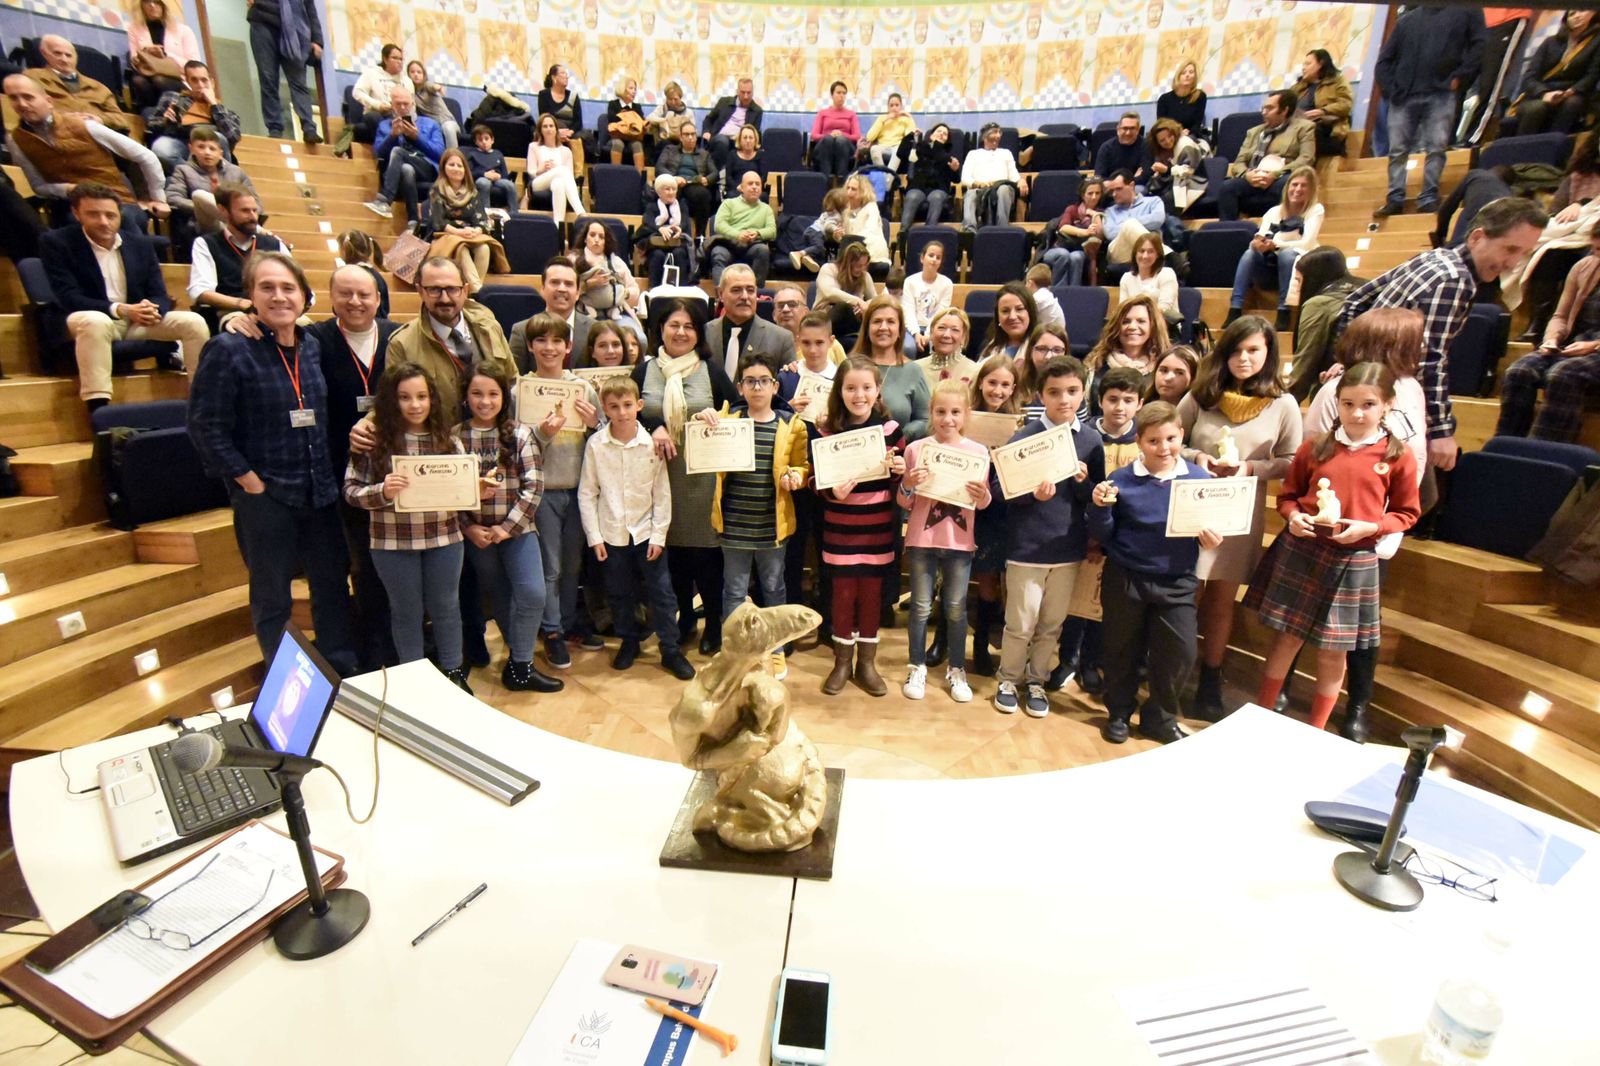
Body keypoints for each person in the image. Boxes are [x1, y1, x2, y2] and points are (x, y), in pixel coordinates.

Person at [187, 252, 355, 674]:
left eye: (288, 288)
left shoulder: (312, 345)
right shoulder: (228, 349)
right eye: (267, 288)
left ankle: (340, 666)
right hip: (266, 495)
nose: (279, 296)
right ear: (250, 297)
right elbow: (205, 427)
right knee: (272, 595)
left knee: (331, 585)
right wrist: (248, 481)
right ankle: (285, 678)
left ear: (304, 296)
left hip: (319, 490)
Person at [1245, 363, 1421, 733]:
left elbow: (1406, 513)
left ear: (1387, 405)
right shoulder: (1316, 447)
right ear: (1337, 403)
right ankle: (1261, 718)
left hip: (1354, 557)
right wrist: (1293, 517)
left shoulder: (1396, 456)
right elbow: (1289, 497)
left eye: (1368, 404)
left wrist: (1372, 527)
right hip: (1304, 550)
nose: (1357, 413)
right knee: (1287, 639)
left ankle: (1318, 729)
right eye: (1348, 403)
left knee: (1333, 652)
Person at [1337, 196, 1547, 470]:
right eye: (1509, 249)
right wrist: (1442, 431)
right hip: (1388, 400)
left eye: (1523, 254)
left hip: (1367, 389)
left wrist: (1347, 362)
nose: (1513, 263)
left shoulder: (1435, 256)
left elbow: (1355, 301)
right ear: (1477, 237)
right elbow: (1429, 360)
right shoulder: (1454, 280)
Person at [1300, 311, 1427, 740]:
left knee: (1359, 630)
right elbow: (1314, 445)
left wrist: (1384, 530)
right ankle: (1284, 696)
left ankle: (1357, 705)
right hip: (1324, 531)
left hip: (1374, 534)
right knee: (1305, 616)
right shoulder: (1335, 387)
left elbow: (1416, 456)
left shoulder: (1408, 390)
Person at [1177, 317, 1302, 721]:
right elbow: (1168, 439)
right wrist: (1199, 458)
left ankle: (1211, 680)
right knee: (1183, 595)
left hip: (1238, 512)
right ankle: (1172, 673)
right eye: (1236, 350)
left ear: (1268, 354)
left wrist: (1249, 469)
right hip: (1193, 508)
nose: (1244, 358)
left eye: (1253, 350)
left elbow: (1288, 461)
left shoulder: (1283, 404)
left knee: (1219, 601)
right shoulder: (1202, 394)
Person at [1088, 401, 1223, 744]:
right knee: (1121, 650)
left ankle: (1158, 717)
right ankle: (1119, 712)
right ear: (1139, 441)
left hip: (1177, 580)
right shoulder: (1122, 479)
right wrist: (1101, 509)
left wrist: (1211, 538)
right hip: (1127, 576)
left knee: (1178, 653)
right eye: (1153, 441)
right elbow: (1104, 534)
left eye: (1171, 438)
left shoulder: (1198, 479)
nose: (1163, 448)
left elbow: (1211, 528)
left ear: (1181, 435)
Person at [344, 362, 472, 690]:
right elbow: (351, 491)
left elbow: (462, 490)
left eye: (422, 396)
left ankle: (454, 673)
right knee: (406, 612)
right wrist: (382, 491)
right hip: (392, 543)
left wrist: (474, 489)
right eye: (405, 397)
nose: (415, 405)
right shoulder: (373, 442)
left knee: (446, 607)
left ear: (432, 400)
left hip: (444, 539)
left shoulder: (448, 441)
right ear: (391, 400)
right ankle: (414, 680)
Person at [991, 356, 1104, 718]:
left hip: (1067, 548)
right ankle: (1009, 678)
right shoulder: (1024, 437)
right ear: (1041, 394)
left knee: (1052, 623)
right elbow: (1000, 489)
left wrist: (1086, 485)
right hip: (1027, 548)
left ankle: (1036, 680)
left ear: (1083, 392)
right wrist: (1030, 495)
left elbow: (1097, 497)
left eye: (1072, 391)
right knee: (1020, 622)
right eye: (1054, 392)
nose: (1064, 400)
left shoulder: (1090, 440)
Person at [692, 353, 811, 678]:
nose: (757, 387)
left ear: (774, 386)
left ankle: (774, 650)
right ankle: (737, 649)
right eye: (750, 381)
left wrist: (796, 478)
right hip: (733, 525)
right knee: (733, 590)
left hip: (772, 526)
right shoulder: (726, 421)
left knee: (774, 588)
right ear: (740, 387)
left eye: (764, 381)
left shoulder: (792, 425)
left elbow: (802, 466)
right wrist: (704, 417)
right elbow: (702, 438)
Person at [306, 265, 400, 671]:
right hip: (334, 467)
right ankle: (349, 654)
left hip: (390, 469)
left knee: (381, 568)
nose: (356, 302)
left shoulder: (398, 336)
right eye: (346, 294)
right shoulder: (314, 339)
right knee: (342, 565)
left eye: (364, 294)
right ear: (331, 297)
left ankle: (385, 645)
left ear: (378, 299)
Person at [44, 182, 207, 410]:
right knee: (95, 322)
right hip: (84, 318)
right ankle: (99, 410)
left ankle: (202, 404)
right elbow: (68, 297)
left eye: (110, 215)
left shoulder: (139, 244)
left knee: (193, 322)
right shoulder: (57, 242)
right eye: (94, 214)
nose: (103, 221)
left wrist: (153, 309)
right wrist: (120, 309)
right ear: (76, 213)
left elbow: (158, 293)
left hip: (133, 319)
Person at [635, 299, 738, 656]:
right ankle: (684, 620)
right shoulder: (645, 370)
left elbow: (739, 409)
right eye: (673, 325)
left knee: (707, 559)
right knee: (673, 555)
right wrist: (654, 426)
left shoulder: (709, 370)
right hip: (659, 480)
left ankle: (712, 622)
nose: (681, 332)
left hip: (702, 480)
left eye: (689, 326)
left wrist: (719, 415)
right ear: (660, 329)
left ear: (699, 333)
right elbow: (626, 415)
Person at [454, 366, 563, 692]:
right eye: (477, 394)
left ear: (504, 397)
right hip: (477, 536)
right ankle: (519, 667)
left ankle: (521, 662)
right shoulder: (454, 437)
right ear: (465, 397)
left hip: (518, 530)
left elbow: (533, 486)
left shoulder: (520, 434)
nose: (485, 401)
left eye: (493, 394)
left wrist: (507, 528)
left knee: (532, 593)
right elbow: (449, 491)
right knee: (499, 595)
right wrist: (469, 527)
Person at [579, 376, 696, 680]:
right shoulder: (596, 446)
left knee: (662, 594)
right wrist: (595, 537)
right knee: (619, 593)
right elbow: (587, 493)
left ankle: (670, 650)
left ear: (639, 406)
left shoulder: (651, 446)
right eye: (614, 406)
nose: (621, 412)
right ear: (604, 408)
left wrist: (659, 535)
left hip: (646, 535)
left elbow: (662, 494)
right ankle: (629, 642)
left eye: (628, 405)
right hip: (611, 534)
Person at [812, 357, 909, 695]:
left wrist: (899, 471)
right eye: (851, 388)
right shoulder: (827, 432)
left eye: (867, 387)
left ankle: (867, 664)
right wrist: (829, 491)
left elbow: (904, 482)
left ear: (877, 390)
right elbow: (815, 480)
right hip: (840, 529)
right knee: (842, 596)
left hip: (878, 529)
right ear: (840, 391)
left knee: (870, 598)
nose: (859, 395)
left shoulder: (891, 431)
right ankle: (842, 663)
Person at [1057, 365, 1151, 695]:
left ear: (1139, 403)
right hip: (1081, 531)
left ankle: (1090, 662)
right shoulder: (1085, 436)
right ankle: (1067, 658)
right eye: (1113, 399)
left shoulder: (1142, 444)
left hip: (1120, 537)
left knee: (1101, 603)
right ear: (1100, 400)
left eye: (1128, 400)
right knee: (1074, 601)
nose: (1120, 407)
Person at [899, 379, 991, 703]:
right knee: (921, 607)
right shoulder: (915, 449)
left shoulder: (979, 453)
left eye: (955, 412)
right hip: (922, 538)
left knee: (955, 607)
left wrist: (984, 496)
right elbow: (904, 502)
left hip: (959, 542)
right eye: (941, 411)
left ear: (965, 414)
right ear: (931, 412)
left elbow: (981, 504)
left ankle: (956, 668)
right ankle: (917, 664)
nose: (947, 419)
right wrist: (908, 483)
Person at [517, 313, 601, 668]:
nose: (549, 348)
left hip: (580, 490)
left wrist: (597, 423)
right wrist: (542, 434)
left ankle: (566, 624)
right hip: (543, 491)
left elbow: (603, 438)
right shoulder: (521, 389)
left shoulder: (583, 388)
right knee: (549, 566)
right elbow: (514, 445)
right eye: (541, 341)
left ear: (568, 347)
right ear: (531, 346)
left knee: (572, 564)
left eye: (557, 341)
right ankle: (552, 630)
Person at [4, 73, 167, 228]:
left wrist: (158, 199)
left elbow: (146, 156)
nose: (22, 104)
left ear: (48, 101)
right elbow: (39, 186)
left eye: (28, 97)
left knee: (120, 221)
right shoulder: (16, 140)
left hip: (117, 200)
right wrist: (66, 189)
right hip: (72, 205)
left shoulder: (85, 124)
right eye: (14, 98)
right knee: (77, 226)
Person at [1373, 6, 1485, 217]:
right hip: (1404, 95)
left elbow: (1479, 46)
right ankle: (1395, 198)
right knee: (1397, 150)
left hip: (1441, 93)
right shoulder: (1407, 20)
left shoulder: (1465, 11)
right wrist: (1391, 88)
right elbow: (1383, 61)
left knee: (1436, 147)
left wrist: (1461, 77)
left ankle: (1429, 197)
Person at [380, 257, 518, 422]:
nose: (444, 298)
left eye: (452, 289)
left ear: (465, 290)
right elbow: (391, 403)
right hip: (437, 443)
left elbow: (512, 381)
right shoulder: (401, 343)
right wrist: (367, 422)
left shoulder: (490, 327)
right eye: (435, 289)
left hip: (490, 440)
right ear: (420, 291)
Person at [1498, 229, 1600, 443]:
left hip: (1594, 349)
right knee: (1518, 371)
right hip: (1575, 344)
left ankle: (1543, 450)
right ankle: (1507, 446)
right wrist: (1551, 339)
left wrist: (1593, 346)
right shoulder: (1583, 267)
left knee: (1562, 374)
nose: (1594, 254)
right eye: (1594, 248)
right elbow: (1560, 316)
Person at [965, 356, 1023, 676]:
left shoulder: (1018, 425)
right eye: (992, 382)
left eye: (1004, 384)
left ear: (1013, 387)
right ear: (981, 382)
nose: (997, 390)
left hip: (999, 509)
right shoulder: (965, 416)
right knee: (959, 577)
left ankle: (983, 643)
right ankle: (948, 641)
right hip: (963, 503)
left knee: (992, 580)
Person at [1226, 165, 1323, 332]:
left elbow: (1307, 243)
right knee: (1250, 253)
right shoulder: (1274, 211)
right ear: (1288, 187)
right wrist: (1258, 243)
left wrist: (1276, 245)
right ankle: (1235, 309)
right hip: (1270, 267)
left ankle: (1284, 311)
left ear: (1311, 190)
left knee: (1286, 255)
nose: (1298, 189)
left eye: (1303, 185)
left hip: (1297, 270)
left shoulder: (1316, 210)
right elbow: (1261, 235)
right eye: (1294, 184)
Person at [187, 182, 286, 334]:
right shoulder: (207, 243)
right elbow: (200, 291)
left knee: (304, 328)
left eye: (254, 210)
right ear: (223, 210)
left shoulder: (274, 244)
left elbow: (302, 288)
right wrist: (242, 304)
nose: (253, 217)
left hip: (275, 308)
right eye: (245, 211)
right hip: (232, 311)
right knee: (244, 331)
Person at [1217, 90, 1316, 221]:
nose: (1264, 112)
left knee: (1288, 183)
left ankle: (1286, 227)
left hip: (1280, 177)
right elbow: (1239, 162)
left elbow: (1306, 158)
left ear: (1284, 110)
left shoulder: (1304, 127)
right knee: (1227, 187)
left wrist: (1274, 175)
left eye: (1270, 108)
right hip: (1253, 178)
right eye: (1264, 108)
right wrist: (1247, 175)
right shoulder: (1254, 132)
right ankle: (1227, 232)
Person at [1500, 10, 1598, 137]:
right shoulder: (1550, 42)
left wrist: (1571, 91)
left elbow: (1592, 75)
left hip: (1573, 92)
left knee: (1573, 103)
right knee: (1536, 108)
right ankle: (1519, 150)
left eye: (1582, 11)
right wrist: (1544, 93)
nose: (1577, 16)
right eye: (1572, 13)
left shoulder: (1596, 42)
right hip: (1541, 93)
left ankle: (1552, 146)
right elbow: (1530, 76)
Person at [426, 148, 506, 294]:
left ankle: (470, 293)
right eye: (451, 165)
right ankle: (478, 293)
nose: (456, 169)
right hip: (445, 236)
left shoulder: (473, 192)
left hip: (470, 235)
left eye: (459, 165)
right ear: (444, 167)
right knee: (461, 248)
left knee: (484, 248)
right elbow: (438, 223)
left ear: (465, 169)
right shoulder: (436, 190)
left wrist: (476, 230)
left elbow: (481, 221)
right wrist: (459, 232)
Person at [1287, 245, 1361, 399]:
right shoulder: (1365, 289)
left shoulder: (1320, 304)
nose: (1297, 287)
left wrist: (1287, 402)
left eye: (1299, 280)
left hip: (1335, 387)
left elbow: (1306, 358)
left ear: (1313, 278)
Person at [854, 296, 930, 443]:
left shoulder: (913, 371)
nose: (883, 327)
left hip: (899, 456)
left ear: (900, 330)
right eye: (877, 321)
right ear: (867, 328)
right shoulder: (850, 367)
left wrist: (898, 436)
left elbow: (925, 419)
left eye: (890, 322)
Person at [362, 87, 444, 222]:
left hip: (426, 167)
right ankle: (413, 221)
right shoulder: (385, 125)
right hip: (399, 173)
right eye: (398, 104)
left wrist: (417, 137)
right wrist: (392, 136)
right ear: (392, 105)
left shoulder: (431, 124)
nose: (402, 107)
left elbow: (440, 154)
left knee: (398, 151)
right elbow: (378, 154)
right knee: (407, 169)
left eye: (406, 104)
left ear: (413, 104)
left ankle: (384, 199)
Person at [246, 0, 323, 143]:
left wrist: (317, 40)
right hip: (262, 22)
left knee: (299, 82)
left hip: (295, 30)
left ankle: (309, 128)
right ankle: (275, 129)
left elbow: (310, 8)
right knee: (268, 80)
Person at [146, 61, 242, 170]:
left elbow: (232, 137)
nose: (200, 85)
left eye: (204, 80)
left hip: (212, 145)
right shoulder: (173, 98)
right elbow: (151, 125)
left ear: (212, 83)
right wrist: (165, 120)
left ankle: (209, 177)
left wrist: (213, 104)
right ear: (188, 82)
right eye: (194, 80)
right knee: (160, 147)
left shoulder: (226, 112)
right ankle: (193, 175)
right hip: (182, 141)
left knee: (218, 138)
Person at [705, 264, 791, 381]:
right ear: (720, 294)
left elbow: (787, 391)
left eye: (750, 290)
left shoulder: (781, 339)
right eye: (736, 290)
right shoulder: (705, 333)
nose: (745, 296)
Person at [28, 35, 131, 132]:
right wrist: (64, 118)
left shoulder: (98, 86)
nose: (64, 59)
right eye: (57, 53)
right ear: (44, 53)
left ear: (76, 58)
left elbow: (120, 119)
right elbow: (30, 109)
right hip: (59, 132)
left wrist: (100, 119)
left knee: (136, 149)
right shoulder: (32, 78)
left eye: (68, 55)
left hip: (99, 133)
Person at [165, 125, 254, 235]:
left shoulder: (237, 172)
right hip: (202, 225)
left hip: (238, 220)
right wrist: (203, 208)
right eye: (201, 147)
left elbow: (255, 201)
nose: (207, 152)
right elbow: (173, 198)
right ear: (191, 149)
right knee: (200, 196)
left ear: (220, 153)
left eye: (212, 149)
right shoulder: (183, 171)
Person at [511, 257, 593, 369]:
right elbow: (514, 379)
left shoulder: (594, 329)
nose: (562, 289)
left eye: (568, 284)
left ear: (578, 293)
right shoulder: (521, 331)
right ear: (542, 289)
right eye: (555, 282)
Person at [1085, 293, 1168, 397]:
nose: (1132, 326)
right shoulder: (1096, 364)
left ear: (1153, 327)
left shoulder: (1164, 367)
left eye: (1141, 321)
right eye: (1125, 321)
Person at [127, 0, 202, 108]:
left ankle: (165, 110)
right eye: (147, 1)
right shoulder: (134, 29)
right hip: (147, 77)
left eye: (156, 2)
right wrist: (144, 53)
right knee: (138, 81)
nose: (152, 6)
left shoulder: (184, 31)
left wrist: (165, 56)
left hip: (179, 79)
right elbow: (134, 60)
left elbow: (194, 66)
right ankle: (152, 112)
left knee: (159, 80)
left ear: (164, 5)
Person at [572, 219, 642, 333]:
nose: (596, 240)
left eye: (601, 237)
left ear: (606, 241)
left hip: (616, 313)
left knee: (640, 340)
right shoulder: (574, 260)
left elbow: (635, 290)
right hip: (585, 314)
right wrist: (588, 285)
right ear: (585, 239)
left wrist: (622, 293)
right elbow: (567, 292)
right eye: (592, 235)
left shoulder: (616, 262)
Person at [709, 170, 776, 286]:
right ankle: (720, 297)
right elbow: (719, 225)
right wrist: (738, 235)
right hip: (729, 244)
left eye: (758, 184)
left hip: (752, 245)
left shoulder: (766, 209)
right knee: (718, 253)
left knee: (763, 250)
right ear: (741, 188)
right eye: (750, 184)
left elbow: (772, 231)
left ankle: (756, 294)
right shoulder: (728, 203)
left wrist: (757, 233)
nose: (754, 187)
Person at [655, 118, 716, 238]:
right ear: (680, 136)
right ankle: (660, 230)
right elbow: (659, 167)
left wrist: (707, 179)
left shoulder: (704, 154)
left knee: (702, 194)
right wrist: (673, 178)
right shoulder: (669, 150)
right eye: (687, 134)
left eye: (693, 134)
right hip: (673, 184)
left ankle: (700, 236)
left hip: (693, 185)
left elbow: (715, 173)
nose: (690, 137)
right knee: (665, 191)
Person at [961, 123, 1027, 231]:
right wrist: (977, 183)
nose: (998, 136)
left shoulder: (1006, 153)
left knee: (1004, 190)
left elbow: (1014, 175)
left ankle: (1002, 229)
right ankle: (969, 231)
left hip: (1001, 186)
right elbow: (965, 177)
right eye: (995, 132)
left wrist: (1021, 180)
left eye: (999, 133)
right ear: (984, 136)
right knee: (970, 194)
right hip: (979, 188)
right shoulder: (973, 154)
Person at [1290, 49, 1354, 160]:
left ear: (1321, 64)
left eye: (1308, 64)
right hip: (1297, 128)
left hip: (1327, 130)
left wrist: (1322, 111)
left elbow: (1345, 104)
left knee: (1308, 130)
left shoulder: (1338, 81)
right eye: (1303, 64)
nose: (1303, 68)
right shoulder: (1298, 87)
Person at [1041, 177, 1105, 287]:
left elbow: (1099, 235)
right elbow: (1064, 227)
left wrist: (1095, 214)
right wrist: (1084, 232)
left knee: (1076, 257)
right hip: (1058, 248)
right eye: (1090, 193)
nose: (1094, 197)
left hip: (1081, 251)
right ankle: (1058, 291)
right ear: (1082, 195)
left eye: (1097, 193)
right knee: (1063, 254)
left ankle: (1073, 292)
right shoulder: (1072, 209)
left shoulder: (1101, 212)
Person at [1432, 165, 1515, 250]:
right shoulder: (1511, 197)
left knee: (1457, 249)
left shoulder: (1476, 174)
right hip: (1492, 238)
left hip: (1468, 230)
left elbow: (1447, 207)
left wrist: (1440, 235)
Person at [523, 112, 585, 225]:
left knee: (559, 183)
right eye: (545, 126)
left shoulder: (566, 151)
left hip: (556, 181)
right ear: (540, 129)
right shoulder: (533, 147)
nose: (548, 129)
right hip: (538, 182)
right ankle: (581, 213)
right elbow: (530, 172)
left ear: (556, 129)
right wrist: (540, 169)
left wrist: (556, 169)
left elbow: (569, 177)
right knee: (562, 170)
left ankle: (558, 226)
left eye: (551, 126)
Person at [815, 241, 877, 346]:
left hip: (852, 324)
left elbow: (875, 300)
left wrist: (864, 306)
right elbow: (829, 293)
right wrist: (857, 301)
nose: (861, 269)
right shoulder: (828, 269)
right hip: (825, 319)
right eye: (858, 265)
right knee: (844, 307)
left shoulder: (865, 276)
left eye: (864, 265)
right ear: (848, 263)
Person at [1099, 170, 1165, 267]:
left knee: (1132, 224)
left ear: (1132, 185)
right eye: (1112, 191)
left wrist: (1128, 225)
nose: (1114, 194)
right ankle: (1169, 255)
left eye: (1118, 189)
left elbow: (1157, 220)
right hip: (1121, 253)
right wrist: (1129, 225)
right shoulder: (1109, 211)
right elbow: (1110, 233)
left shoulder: (1153, 201)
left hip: (1149, 252)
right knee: (1130, 224)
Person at [899, 123, 958, 231]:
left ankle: (929, 232)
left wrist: (955, 170)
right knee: (912, 196)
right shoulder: (919, 148)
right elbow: (901, 153)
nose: (941, 134)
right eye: (939, 131)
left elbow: (956, 179)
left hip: (938, 189)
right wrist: (911, 135)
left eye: (945, 134)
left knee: (936, 197)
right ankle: (902, 235)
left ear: (947, 140)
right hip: (918, 187)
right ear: (931, 135)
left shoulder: (949, 155)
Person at [639, 173, 694, 287]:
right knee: (657, 255)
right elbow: (647, 223)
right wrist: (660, 229)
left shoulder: (682, 206)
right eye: (667, 189)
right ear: (659, 192)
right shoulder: (652, 206)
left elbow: (686, 225)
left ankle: (682, 291)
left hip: (677, 243)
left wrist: (680, 229)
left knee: (679, 254)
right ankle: (655, 290)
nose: (671, 192)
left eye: (674, 189)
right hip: (656, 246)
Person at [1144, 118, 1207, 212]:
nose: (1168, 141)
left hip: (1194, 181)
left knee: (1165, 200)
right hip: (1173, 181)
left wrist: (1167, 170)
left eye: (1170, 136)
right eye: (1162, 140)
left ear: (1174, 132)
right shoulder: (1160, 151)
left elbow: (1188, 171)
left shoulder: (1186, 144)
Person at [902, 243, 954, 357]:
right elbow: (908, 311)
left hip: (935, 327)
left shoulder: (947, 284)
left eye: (938, 257)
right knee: (908, 347)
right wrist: (916, 334)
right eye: (931, 255)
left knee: (940, 347)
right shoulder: (910, 281)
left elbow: (940, 314)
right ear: (922, 258)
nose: (934, 259)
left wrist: (927, 335)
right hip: (911, 327)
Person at [1120, 232, 1181, 327]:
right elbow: (1122, 310)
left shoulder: (1167, 274)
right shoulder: (1126, 278)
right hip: (1134, 328)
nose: (1145, 256)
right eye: (1141, 251)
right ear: (1135, 254)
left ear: (1158, 255)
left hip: (1164, 329)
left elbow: (1164, 310)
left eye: (1150, 251)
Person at [702, 78, 764, 170]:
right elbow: (708, 119)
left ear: (753, 92)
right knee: (722, 141)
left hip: (739, 141)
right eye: (743, 92)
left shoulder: (757, 111)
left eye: (749, 93)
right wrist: (706, 131)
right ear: (737, 91)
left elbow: (754, 131)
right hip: (719, 138)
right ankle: (715, 175)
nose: (746, 96)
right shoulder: (724, 102)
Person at [350, 45, 407, 145]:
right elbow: (357, 92)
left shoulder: (406, 81)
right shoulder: (371, 73)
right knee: (372, 117)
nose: (399, 62)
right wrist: (377, 105)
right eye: (395, 58)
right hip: (377, 113)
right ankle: (392, 144)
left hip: (398, 116)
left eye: (401, 59)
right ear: (385, 59)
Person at [841, 173, 891, 276]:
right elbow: (845, 237)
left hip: (872, 255)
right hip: (853, 254)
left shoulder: (871, 207)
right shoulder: (846, 212)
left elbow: (869, 233)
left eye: (853, 189)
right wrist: (838, 236)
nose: (849, 192)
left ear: (863, 192)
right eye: (848, 188)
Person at [918, 307, 978, 391]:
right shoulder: (915, 369)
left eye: (955, 330)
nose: (947, 335)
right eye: (941, 328)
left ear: (964, 337)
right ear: (931, 333)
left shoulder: (975, 372)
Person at [978, 280, 1039, 364]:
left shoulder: (1042, 347)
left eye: (1019, 309)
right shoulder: (988, 346)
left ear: (1030, 312)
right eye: (1005, 311)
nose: (1012, 316)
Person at [811, 81, 861, 182]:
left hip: (845, 149)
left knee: (841, 140)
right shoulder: (823, 113)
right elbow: (814, 135)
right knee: (828, 139)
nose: (841, 96)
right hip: (825, 148)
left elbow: (856, 136)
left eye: (844, 93)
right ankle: (825, 180)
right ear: (832, 95)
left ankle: (841, 180)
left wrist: (842, 134)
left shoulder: (851, 114)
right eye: (838, 92)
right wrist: (830, 134)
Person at [791, 187, 847, 274]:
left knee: (818, 251)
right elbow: (828, 226)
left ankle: (808, 258)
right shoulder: (836, 216)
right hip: (817, 233)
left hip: (810, 230)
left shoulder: (827, 213)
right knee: (819, 248)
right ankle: (799, 254)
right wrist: (835, 229)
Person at [537, 64, 586, 165]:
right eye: (562, 73)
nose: (566, 76)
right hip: (550, 129)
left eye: (566, 74)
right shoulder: (544, 95)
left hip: (570, 132)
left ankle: (578, 177)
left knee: (576, 140)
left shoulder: (573, 96)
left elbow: (578, 122)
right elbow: (543, 118)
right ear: (554, 77)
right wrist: (557, 132)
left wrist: (569, 133)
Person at [336, 230, 390, 320]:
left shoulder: (347, 276)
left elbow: (337, 308)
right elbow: (386, 309)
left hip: (360, 325)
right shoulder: (377, 276)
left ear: (343, 251)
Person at [407, 60, 461, 150]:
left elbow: (432, 86)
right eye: (412, 72)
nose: (416, 74)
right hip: (433, 126)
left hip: (448, 122)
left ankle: (453, 157)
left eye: (419, 72)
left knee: (447, 128)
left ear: (424, 75)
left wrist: (438, 88)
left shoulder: (426, 85)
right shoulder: (411, 93)